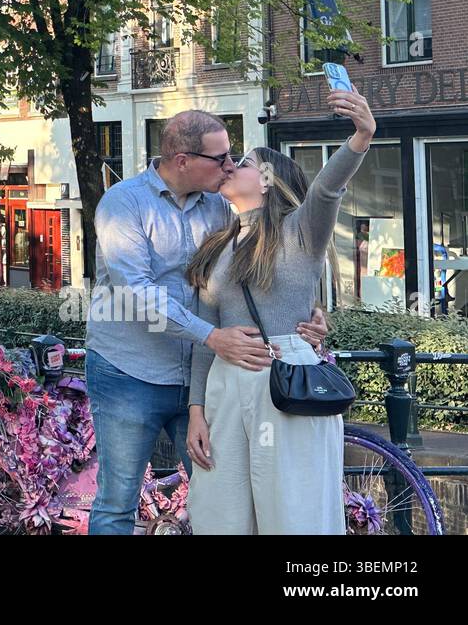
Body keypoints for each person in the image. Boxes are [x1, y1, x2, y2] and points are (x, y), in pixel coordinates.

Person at [84, 110, 328, 535]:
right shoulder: (123, 204)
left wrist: (309, 312)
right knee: (117, 502)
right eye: (220, 158)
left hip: (205, 380)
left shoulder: (221, 207)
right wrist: (212, 336)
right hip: (130, 373)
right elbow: (135, 289)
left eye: (234, 157)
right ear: (183, 160)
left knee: (220, 497)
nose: (230, 165)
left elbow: (266, 266)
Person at [185, 89, 374, 535]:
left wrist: (362, 135)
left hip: (286, 381)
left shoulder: (300, 233)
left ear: (269, 180)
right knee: (219, 513)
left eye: (244, 162)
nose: (231, 166)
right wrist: (197, 411)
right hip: (224, 384)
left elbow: (327, 189)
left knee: (294, 512)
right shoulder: (217, 245)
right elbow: (206, 333)